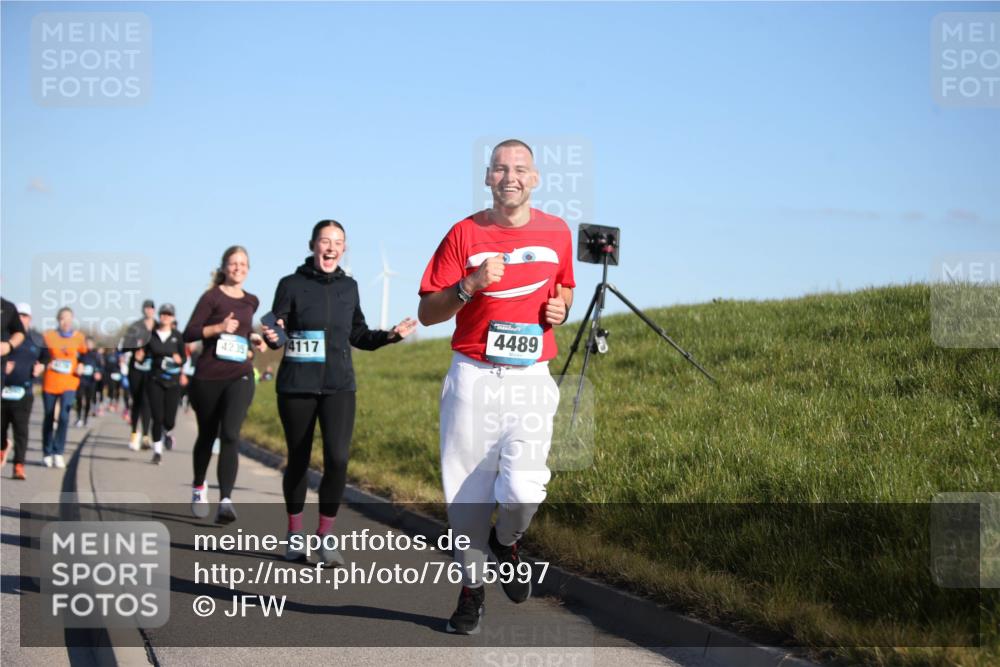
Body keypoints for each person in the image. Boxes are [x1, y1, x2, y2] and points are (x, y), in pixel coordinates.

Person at [417, 139, 575, 634]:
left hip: (531, 377)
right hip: (474, 377)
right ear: (488, 177)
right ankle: (471, 591)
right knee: (467, 501)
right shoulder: (463, 234)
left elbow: (565, 286)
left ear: (535, 179)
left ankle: (506, 542)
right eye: (501, 169)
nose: (511, 177)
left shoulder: (557, 231)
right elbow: (428, 311)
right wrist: (469, 286)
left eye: (520, 169)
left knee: (524, 491)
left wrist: (562, 308)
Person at [262, 220, 416, 565]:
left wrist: (390, 335)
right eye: (325, 241)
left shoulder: (350, 287)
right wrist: (274, 335)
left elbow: (358, 334)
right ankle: (295, 533)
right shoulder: (290, 284)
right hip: (297, 385)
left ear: (344, 249)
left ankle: (325, 537)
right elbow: (276, 327)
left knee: (338, 459)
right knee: (299, 459)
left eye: (338, 242)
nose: (331, 247)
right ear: (312, 245)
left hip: (339, 386)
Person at [183, 246, 266, 523]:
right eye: (233, 263)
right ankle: (198, 486)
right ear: (224, 267)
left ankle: (226, 501)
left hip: (239, 375)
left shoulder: (251, 301)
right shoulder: (212, 297)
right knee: (207, 435)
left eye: (243, 263)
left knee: (230, 434)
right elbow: (189, 333)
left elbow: (244, 330)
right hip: (208, 376)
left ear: (248, 269)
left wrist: (254, 339)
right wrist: (218, 328)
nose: (238, 267)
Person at [1, 303, 47, 479]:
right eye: (19, 315)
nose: (21, 318)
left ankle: (19, 465)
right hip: (3, 389)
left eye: (25, 315)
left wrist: (41, 366)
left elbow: (47, 357)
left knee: (21, 430)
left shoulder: (37, 338)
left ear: (30, 318)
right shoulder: (5, 336)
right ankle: (3, 446)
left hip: (23, 392)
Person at [41, 307, 89, 469]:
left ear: (72, 320)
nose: (66, 321)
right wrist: (46, 363)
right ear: (58, 320)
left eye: (68, 318)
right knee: (49, 416)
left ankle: (58, 451)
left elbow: (85, 355)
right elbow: (42, 356)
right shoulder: (49, 336)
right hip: (51, 381)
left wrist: (82, 365)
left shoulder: (79, 337)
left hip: (70, 382)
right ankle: (47, 452)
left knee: (64, 416)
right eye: (62, 318)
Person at [140, 303, 186, 465]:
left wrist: (179, 360)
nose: (165, 317)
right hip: (155, 379)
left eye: (168, 314)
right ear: (159, 316)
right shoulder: (151, 335)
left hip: (173, 381)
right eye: (163, 314)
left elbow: (184, 358)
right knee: (157, 417)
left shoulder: (177, 336)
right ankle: (157, 451)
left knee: (169, 420)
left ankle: (167, 432)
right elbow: (143, 356)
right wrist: (140, 355)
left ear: (173, 318)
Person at [120, 300, 156, 450]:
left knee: (147, 401)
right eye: (146, 308)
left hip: (151, 369)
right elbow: (124, 346)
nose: (149, 310)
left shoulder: (158, 326)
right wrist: (135, 350)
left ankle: (146, 435)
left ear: (154, 310)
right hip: (135, 369)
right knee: (137, 401)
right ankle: (134, 432)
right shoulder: (135, 326)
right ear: (143, 310)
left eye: (151, 308)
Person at [74, 337, 103, 428]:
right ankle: (79, 417)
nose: (88, 345)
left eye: (90, 344)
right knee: (79, 398)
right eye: (87, 343)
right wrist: (77, 368)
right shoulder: (81, 354)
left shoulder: (96, 355)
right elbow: (75, 364)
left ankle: (85, 418)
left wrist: (98, 373)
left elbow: (100, 367)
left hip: (91, 381)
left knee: (88, 400)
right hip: (81, 380)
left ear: (93, 345)